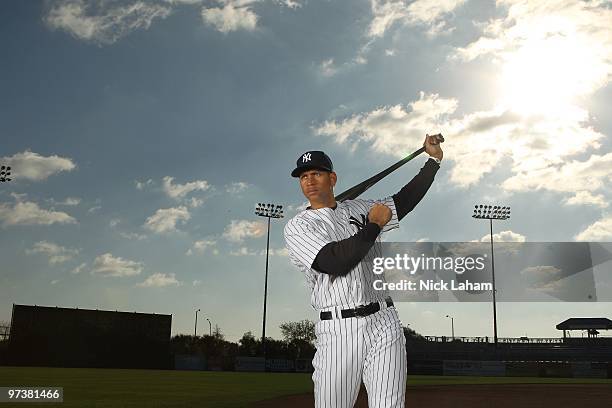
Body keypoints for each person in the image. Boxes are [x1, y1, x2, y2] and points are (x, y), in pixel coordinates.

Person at [284, 135, 443, 408]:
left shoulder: (358, 208)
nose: (309, 180)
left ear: (332, 179)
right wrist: (373, 226)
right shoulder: (298, 227)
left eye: (316, 174)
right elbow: (335, 261)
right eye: (303, 176)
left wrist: (432, 162)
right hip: (338, 328)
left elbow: (402, 201)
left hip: (384, 320)